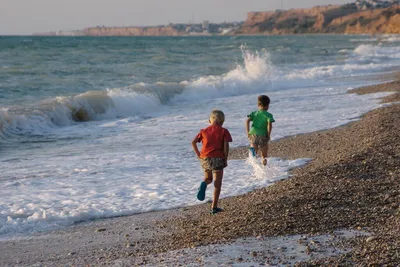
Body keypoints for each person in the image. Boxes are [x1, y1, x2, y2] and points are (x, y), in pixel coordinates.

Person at [192, 109, 232, 214]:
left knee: (208, 178)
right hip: (218, 158)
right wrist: (225, 159)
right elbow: (225, 146)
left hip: (205, 157)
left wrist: (199, 155)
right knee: (217, 184)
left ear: (210, 120)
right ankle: (214, 207)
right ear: (222, 121)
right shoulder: (224, 131)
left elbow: (193, 142)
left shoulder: (203, 131)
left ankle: (204, 183)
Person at [245, 95, 275, 166]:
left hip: (253, 133)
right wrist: (268, 134)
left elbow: (247, 121)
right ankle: (264, 164)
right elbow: (269, 124)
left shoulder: (254, 113)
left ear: (258, 105)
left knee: (253, 147)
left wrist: (248, 132)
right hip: (263, 134)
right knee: (264, 153)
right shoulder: (268, 115)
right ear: (268, 105)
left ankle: (253, 159)